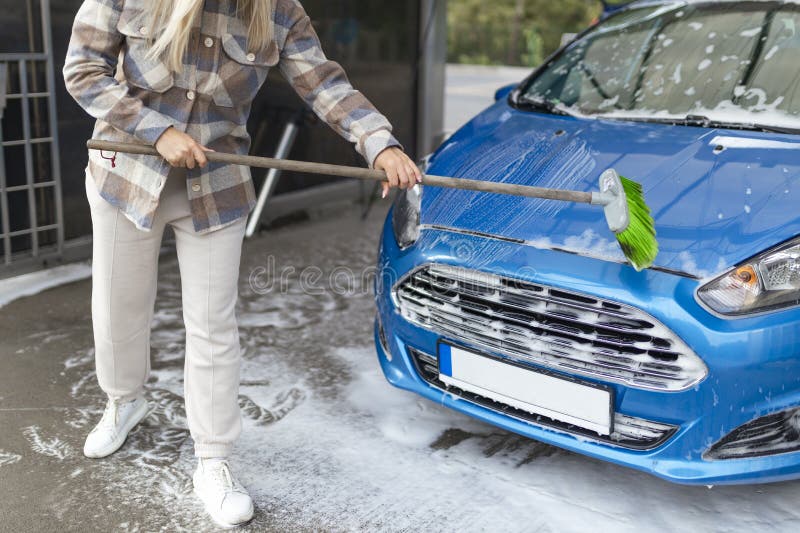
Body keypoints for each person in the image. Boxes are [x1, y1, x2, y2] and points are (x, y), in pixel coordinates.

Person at [63, 0, 420, 527]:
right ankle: (123, 402)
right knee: (120, 308)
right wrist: (157, 130)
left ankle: (213, 459)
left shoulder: (278, 11)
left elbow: (324, 83)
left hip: (217, 186)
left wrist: (378, 143)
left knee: (213, 324)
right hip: (127, 176)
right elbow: (83, 71)